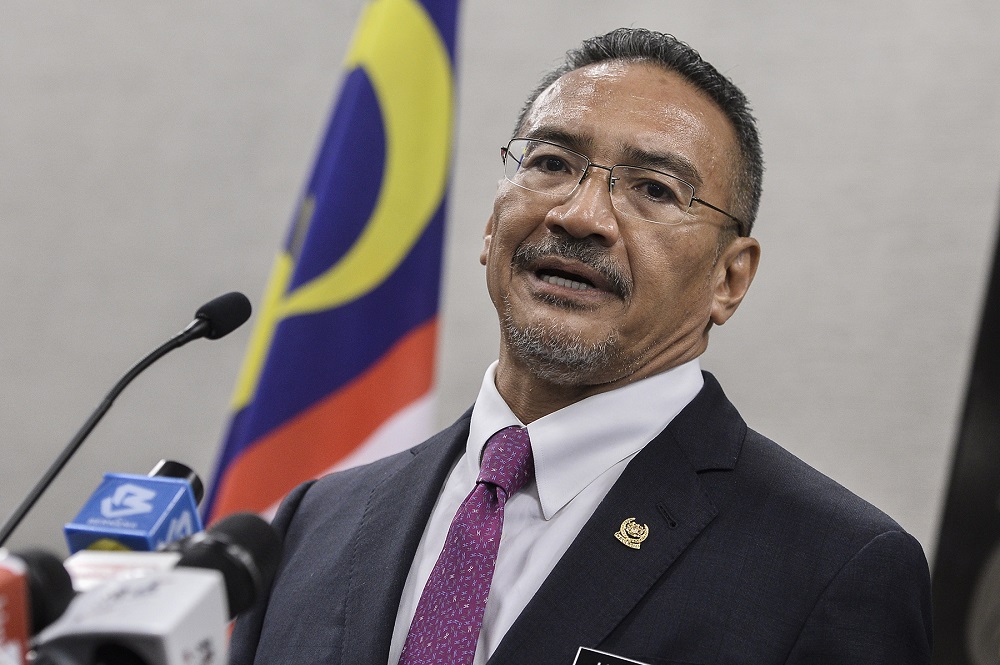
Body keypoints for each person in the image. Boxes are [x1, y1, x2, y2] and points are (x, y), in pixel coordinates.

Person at [230, 28, 932, 665]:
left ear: (729, 276)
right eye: (552, 162)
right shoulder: (315, 519)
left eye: (654, 188)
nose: (579, 215)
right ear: (489, 223)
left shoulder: (834, 569)